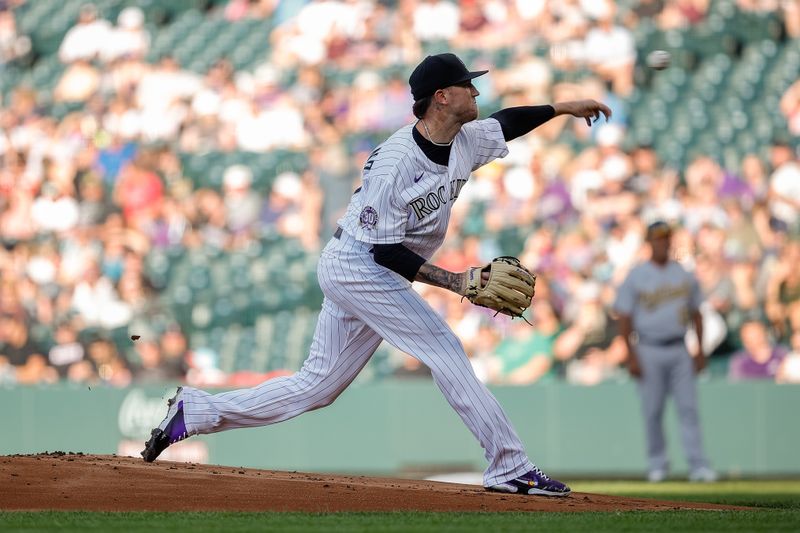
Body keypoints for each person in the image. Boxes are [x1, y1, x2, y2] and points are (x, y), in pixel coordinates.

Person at [142, 52, 611, 497]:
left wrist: (563, 107)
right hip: (358, 263)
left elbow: (509, 121)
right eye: (468, 84)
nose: (476, 91)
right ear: (442, 96)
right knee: (443, 347)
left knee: (318, 386)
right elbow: (385, 251)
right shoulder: (396, 162)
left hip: (366, 267)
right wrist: (456, 282)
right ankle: (510, 466)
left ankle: (196, 410)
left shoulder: (465, 140)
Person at [614, 221, 717, 483]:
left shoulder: (683, 273)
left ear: (670, 242)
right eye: (657, 239)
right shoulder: (637, 275)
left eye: (665, 238)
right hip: (648, 346)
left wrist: (700, 351)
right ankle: (657, 464)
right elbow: (624, 317)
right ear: (649, 242)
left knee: (689, 409)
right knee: (652, 410)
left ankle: (698, 465)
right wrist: (631, 355)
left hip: (680, 347)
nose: (662, 243)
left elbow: (697, 314)